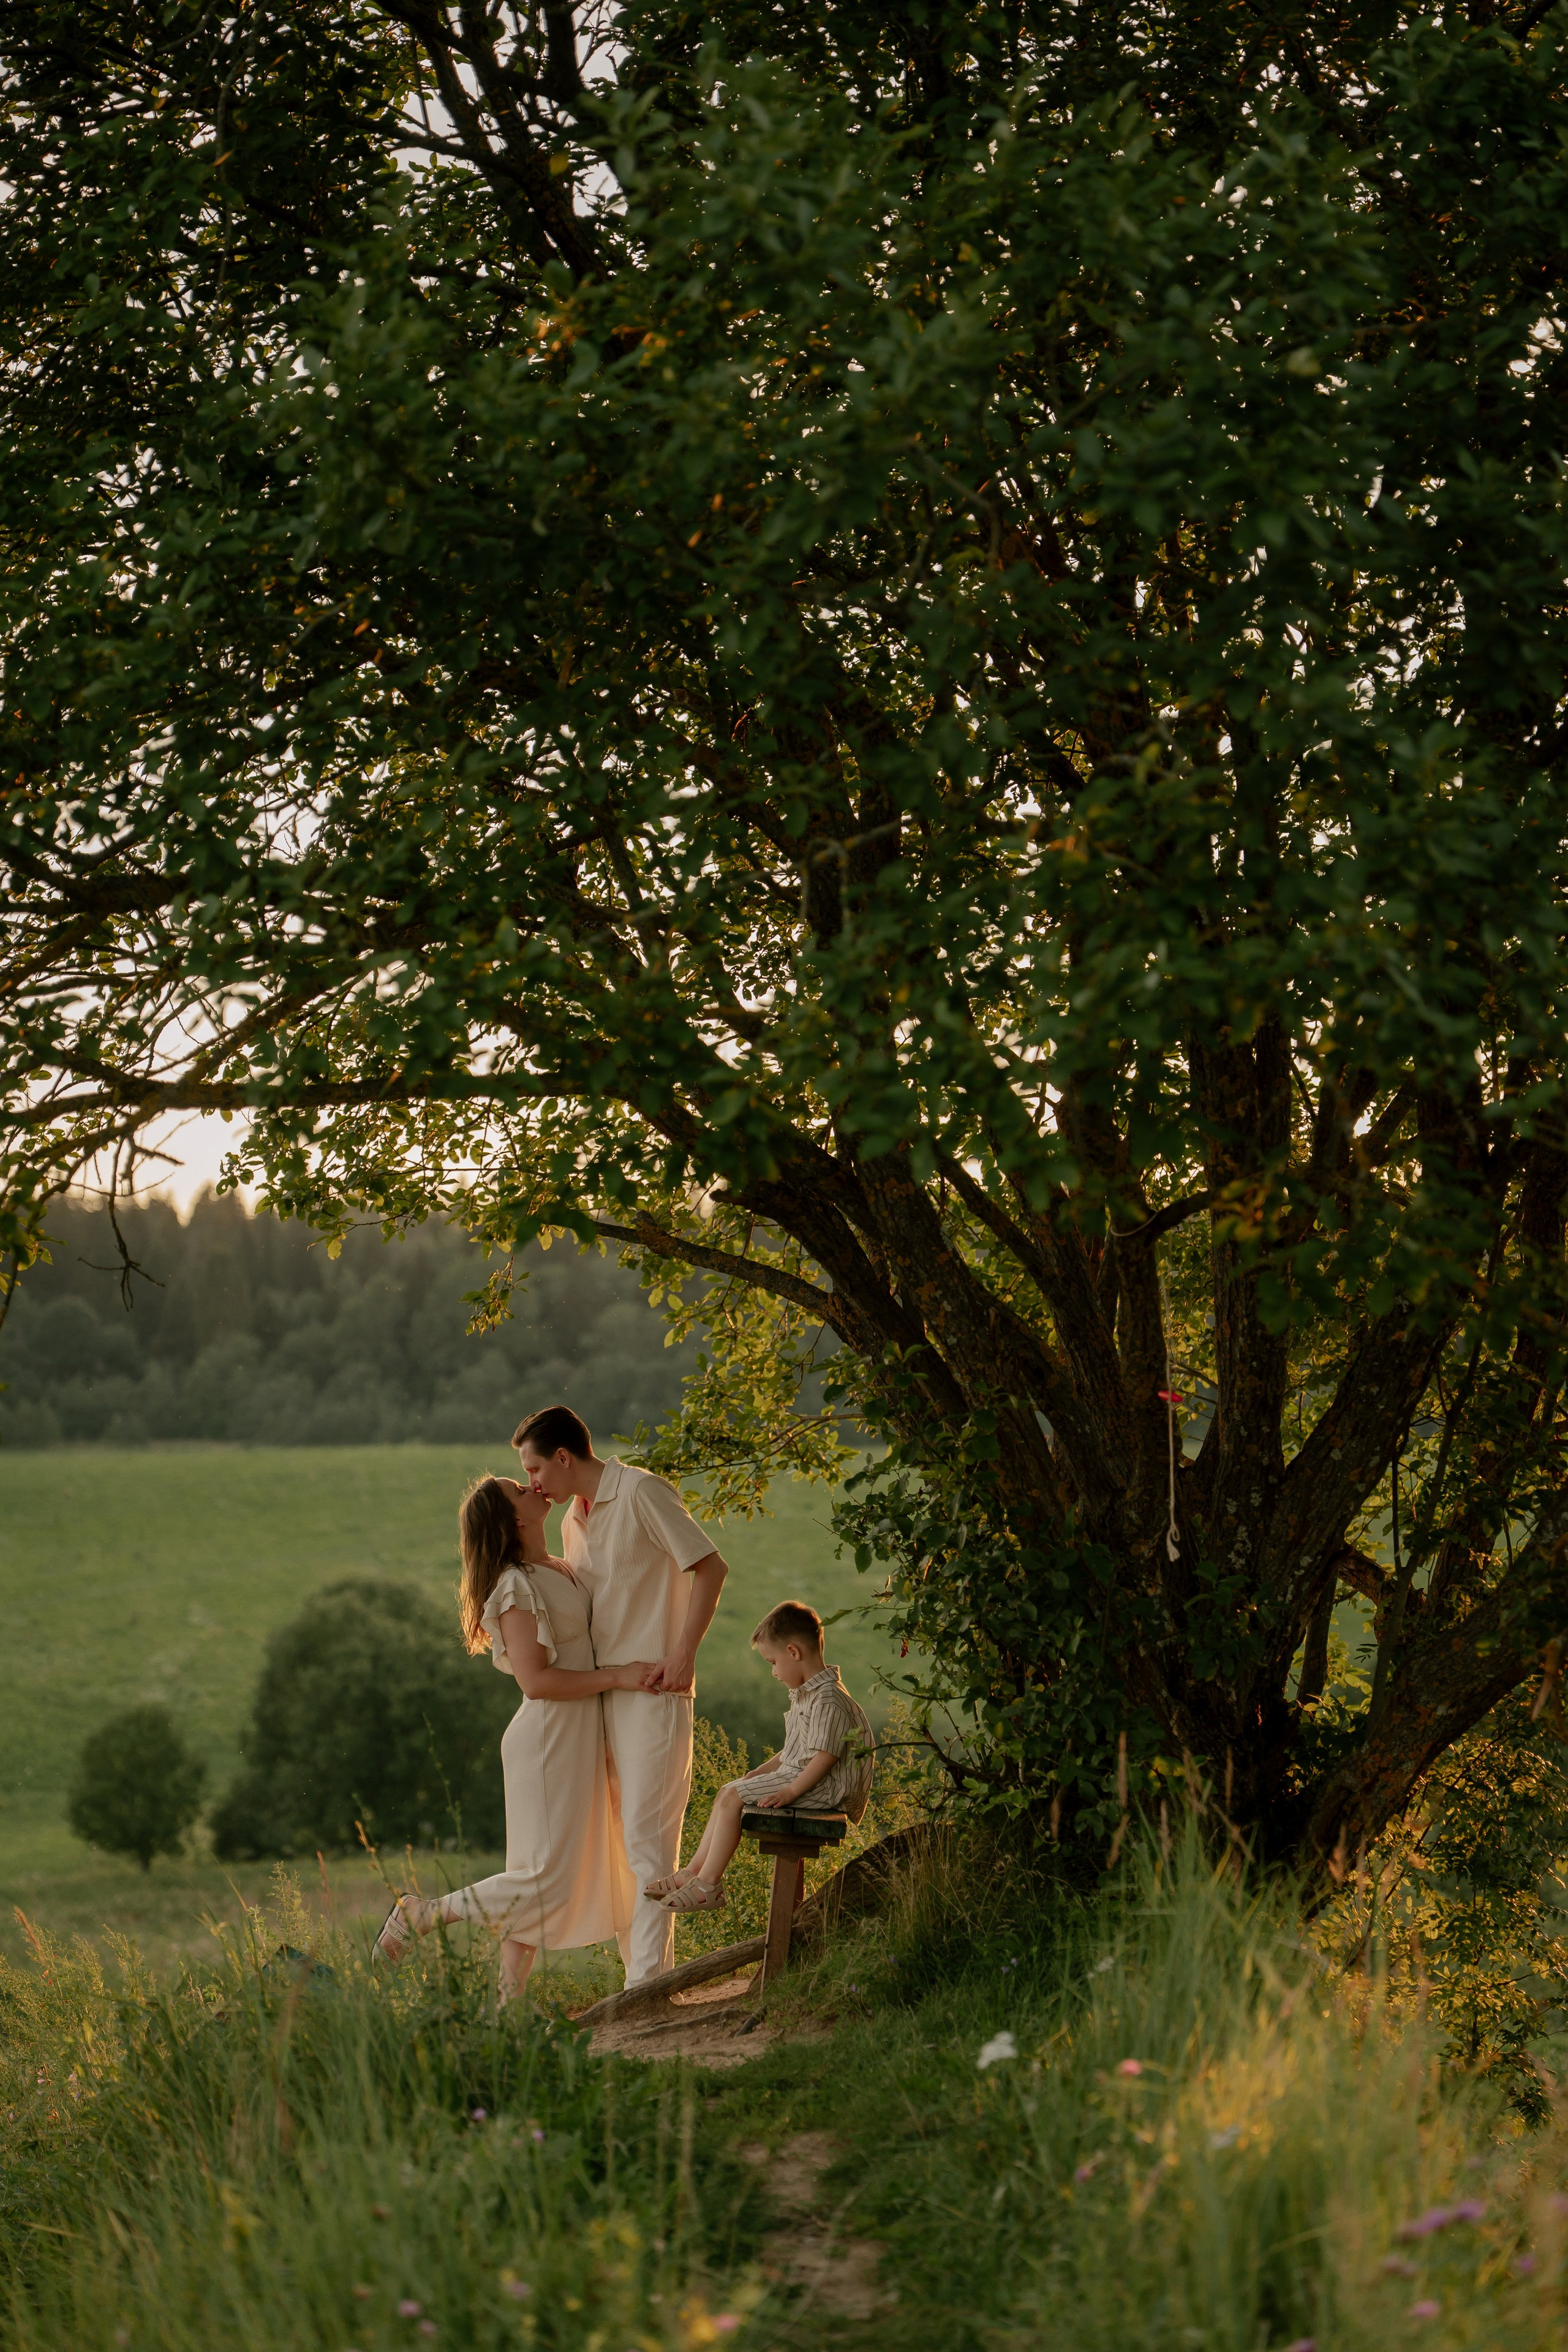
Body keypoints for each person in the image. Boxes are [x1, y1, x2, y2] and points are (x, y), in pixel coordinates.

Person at [374, 1474, 653, 1999]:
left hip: (576, 1737)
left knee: (532, 1875)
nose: (533, 1487)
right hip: (548, 1742)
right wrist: (619, 1677)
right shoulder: (514, 1587)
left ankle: (503, 2011)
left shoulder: (561, 1570)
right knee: (543, 1879)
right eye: (519, 1489)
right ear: (514, 1519)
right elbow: (537, 1681)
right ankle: (423, 1914)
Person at [515, 1404, 728, 1984]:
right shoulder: (570, 1523)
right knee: (615, 1845)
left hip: (655, 1693)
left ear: (563, 1457)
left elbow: (710, 1567)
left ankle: (647, 1990)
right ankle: (643, 1980)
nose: (532, 1483)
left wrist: (683, 1653)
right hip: (600, 1695)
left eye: (534, 1470)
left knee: (646, 1839)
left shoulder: (641, 1492)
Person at [645, 1600, 874, 1914]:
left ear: (794, 1653)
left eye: (773, 1662)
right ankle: (695, 1871)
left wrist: (790, 1791)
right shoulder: (808, 1695)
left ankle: (708, 1884)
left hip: (826, 1788)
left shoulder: (828, 1699)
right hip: (808, 1778)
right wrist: (760, 1773)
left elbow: (825, 1758)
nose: (774, 1673)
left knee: (734, 1797)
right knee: (729, 1790)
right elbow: (794, 1750)